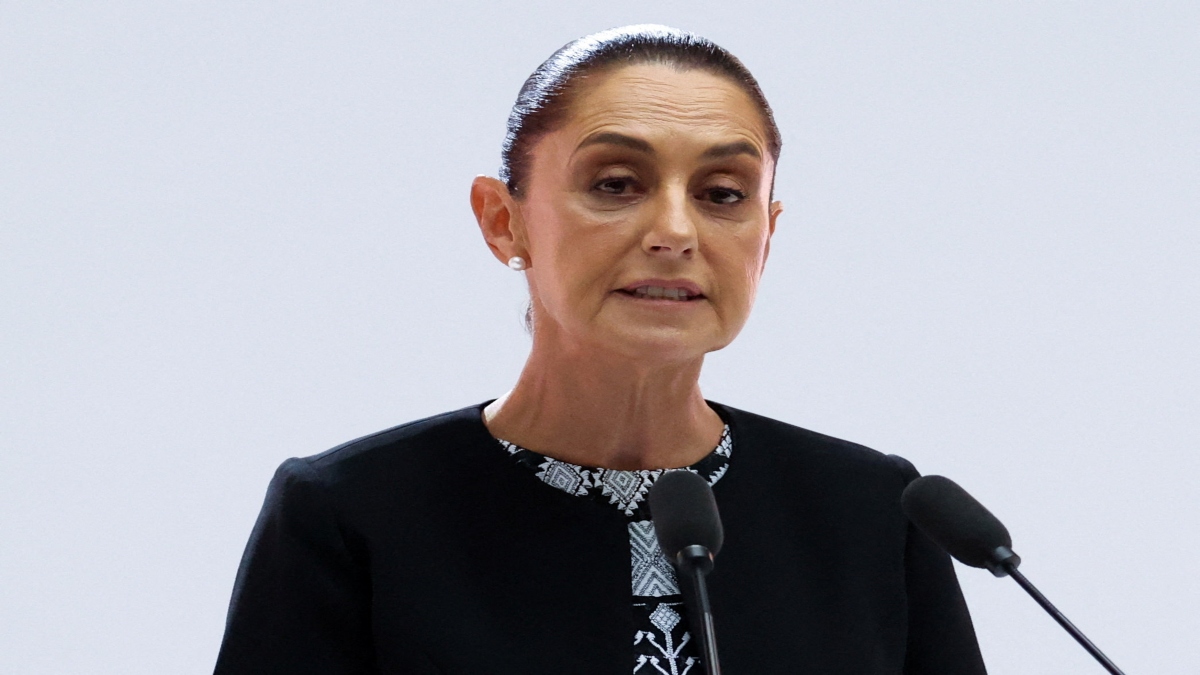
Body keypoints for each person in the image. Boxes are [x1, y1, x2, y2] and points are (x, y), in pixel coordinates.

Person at [214, 25, 987, 675]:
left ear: (767, 236)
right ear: (502, 220)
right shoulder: (352, 518)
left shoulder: (874, 516)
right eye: (617, 183)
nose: (676, 233)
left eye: (722, 194)